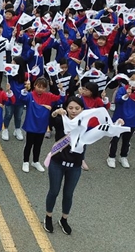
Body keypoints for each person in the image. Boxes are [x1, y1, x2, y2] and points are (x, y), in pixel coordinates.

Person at [45, 97, 85, 235]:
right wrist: (55, 113)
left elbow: (103, 129)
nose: (73, 111)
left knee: (68, 194)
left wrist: (117, 123)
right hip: (57, 162)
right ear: (66, 108)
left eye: (77, 108)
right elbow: (49, 121)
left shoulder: (85, 123)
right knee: (54, 191)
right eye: (70, 108)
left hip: (75, 165)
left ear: (82, 110)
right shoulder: (61, 120)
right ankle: (48, 217)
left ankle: (64, 219)